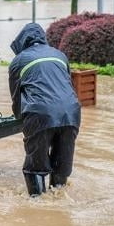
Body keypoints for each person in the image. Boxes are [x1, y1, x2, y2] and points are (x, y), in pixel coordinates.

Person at [9, 23, 81, 197]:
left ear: (22, 41)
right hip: (71, 113)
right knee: (61, 164)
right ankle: (59, 203)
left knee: (35, 167)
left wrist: (22, 121)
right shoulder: (60, 55)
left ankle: (38, 209)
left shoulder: (18, 61)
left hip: (40, 114)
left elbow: (16, 98)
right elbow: (66, 86)